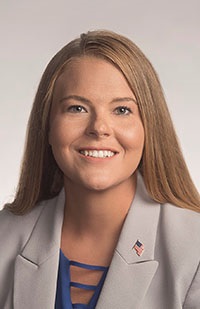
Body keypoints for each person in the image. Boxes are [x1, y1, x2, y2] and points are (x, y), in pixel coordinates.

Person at [0, 30, 200, 309]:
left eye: (122, 110)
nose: (99, 128)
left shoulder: (194, 250)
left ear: (149, 127)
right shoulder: (4, 237)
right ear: (47, 126)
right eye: (77, 108)